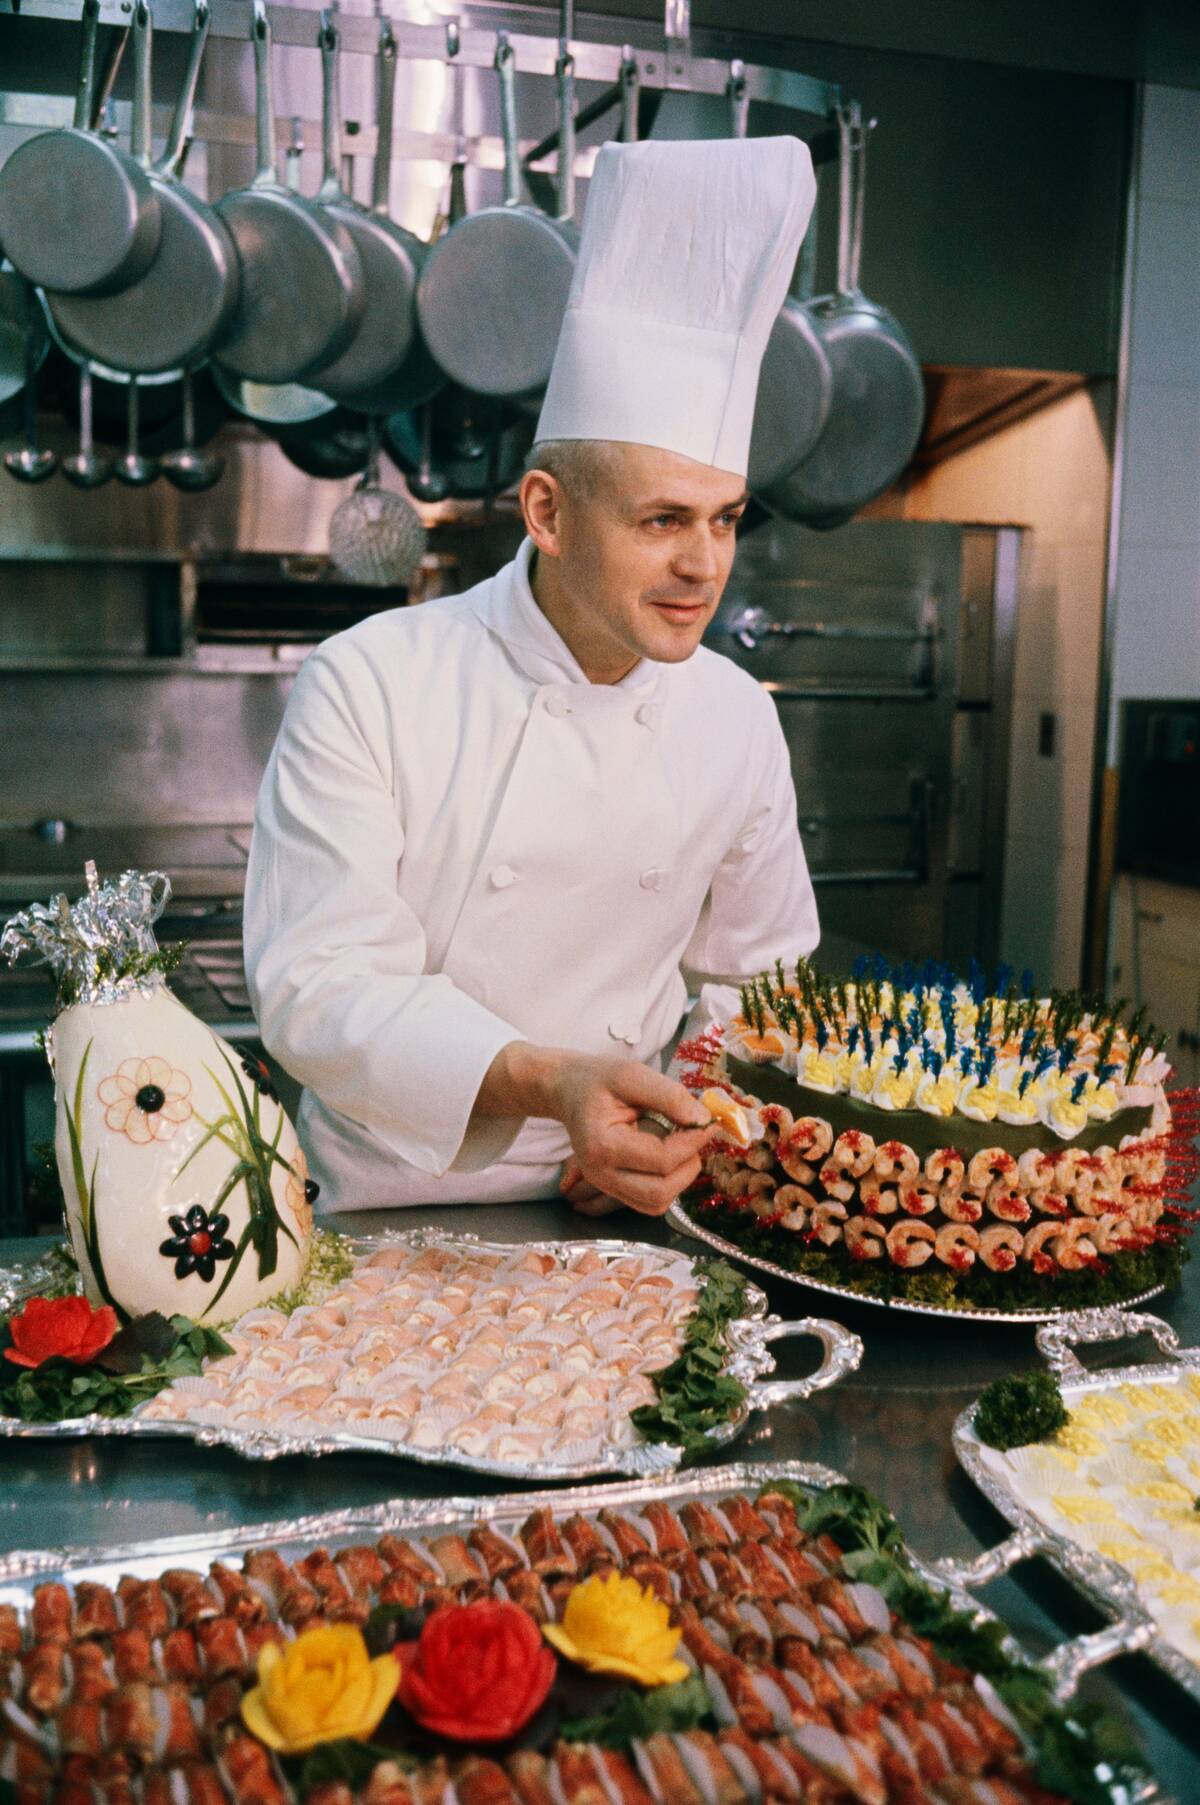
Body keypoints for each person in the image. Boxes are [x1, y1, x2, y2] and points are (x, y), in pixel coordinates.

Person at [244, 132, 820, 1216]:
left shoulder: (736, 717)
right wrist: (559, 1084)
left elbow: (765, 983)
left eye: (724, 521)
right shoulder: (373, 682)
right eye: (662, 520)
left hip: (633, 1202)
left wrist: (672, 1111)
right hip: (395, 1203)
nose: (704, 565)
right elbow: (319, 988)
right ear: (547, 512)